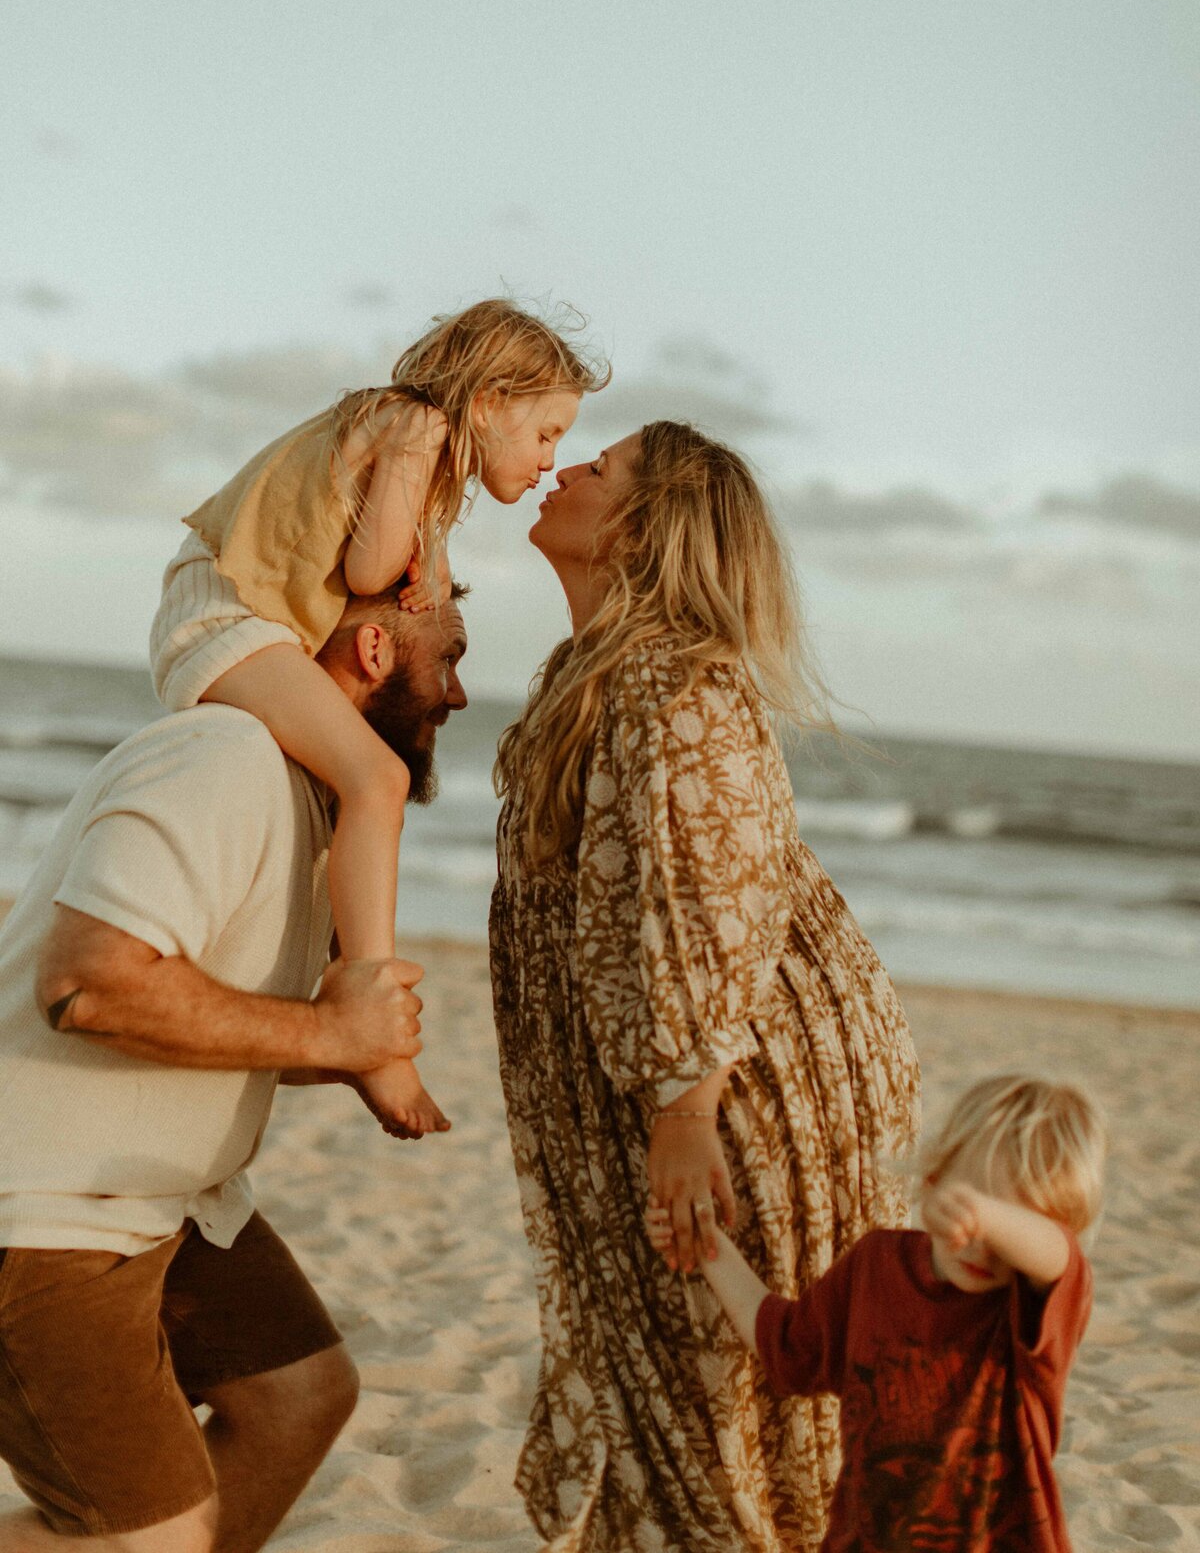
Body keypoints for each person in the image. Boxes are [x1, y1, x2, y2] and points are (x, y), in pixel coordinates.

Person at [489, 421, 921, 1552]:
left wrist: (685, 1113)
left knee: (716, 1416)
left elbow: (710, 902)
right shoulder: (591, 676)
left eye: (605, 467)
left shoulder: (676, 681)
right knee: (686, 1413)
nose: (571, 467)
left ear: (643, 526)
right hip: (677, 1084)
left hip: (737, 1095)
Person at [0, 583, 469, 1552]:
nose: (460, 696)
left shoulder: (317, 809)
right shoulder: (220, 759)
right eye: (450, 658)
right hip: (43, 1208)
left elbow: (220, 1023)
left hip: (169, 1197)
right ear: (375, 649)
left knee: (299, 1398)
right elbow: (90, 985)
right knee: (154, 1539)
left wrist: (344, 1041)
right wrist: (335, 1039)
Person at [151, 298, 606, 1134]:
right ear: (486, 404)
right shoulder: (417, 431)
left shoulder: (415, 445)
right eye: (545, 433)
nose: (552, 459)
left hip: (239, 613)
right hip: (225, 618)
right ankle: (372, 1031)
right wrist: (417, 560)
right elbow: (368, 564)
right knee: (378, 778)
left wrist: (427, 556)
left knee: (344, 801)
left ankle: (341, 992)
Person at [648, 1074, 1105, 1553]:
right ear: (934, 1180)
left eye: (1012, 1223)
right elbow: (785, 1346)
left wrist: (987, 1215)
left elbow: (1059, 1257)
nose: (985, 1247)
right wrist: (706, 1244)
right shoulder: (875, 1267)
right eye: (971, 1202)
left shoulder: (1030, 1313)